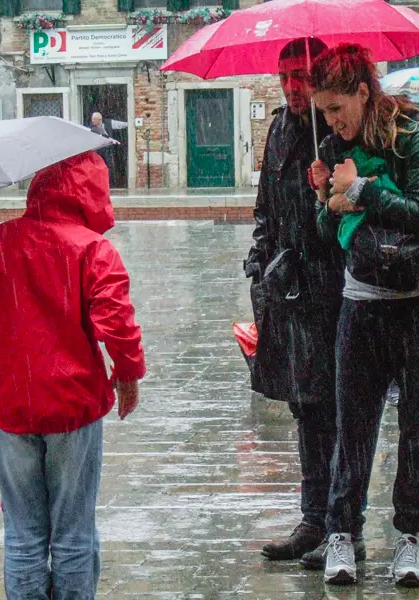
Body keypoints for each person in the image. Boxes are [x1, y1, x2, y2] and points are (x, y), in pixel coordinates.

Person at [0, 151, 146, 600]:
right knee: (73, 534)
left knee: (23, 536)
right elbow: (115, 321)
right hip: (73, 407)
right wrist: (128, 374)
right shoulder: (92, 249)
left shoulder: (0, 242)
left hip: (14, 406)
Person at [244, 37, 360, 569]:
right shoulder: (278, 129)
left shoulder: (335, 132)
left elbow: (350, 219)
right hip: (286, 295)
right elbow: (265, 207)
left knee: (339, 409)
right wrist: (259, 261)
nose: (293, 87)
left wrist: (325, 198)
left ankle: (343, 527)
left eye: (302, 76)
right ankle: (314, 519)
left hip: (334, 291)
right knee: (304, 407)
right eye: (286, 76)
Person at [310, 43, 419, 587]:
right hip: (360, 304)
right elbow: (329, 238)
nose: (332, 121)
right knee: (352, 426)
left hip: (413, 305)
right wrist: (326, 203)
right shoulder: (330, 147)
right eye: (323, 112)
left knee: (416, 427)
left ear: (362, 91)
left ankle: (411, 537)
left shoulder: (409, 138)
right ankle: (342, 534)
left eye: (337, 107)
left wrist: (365, 191)